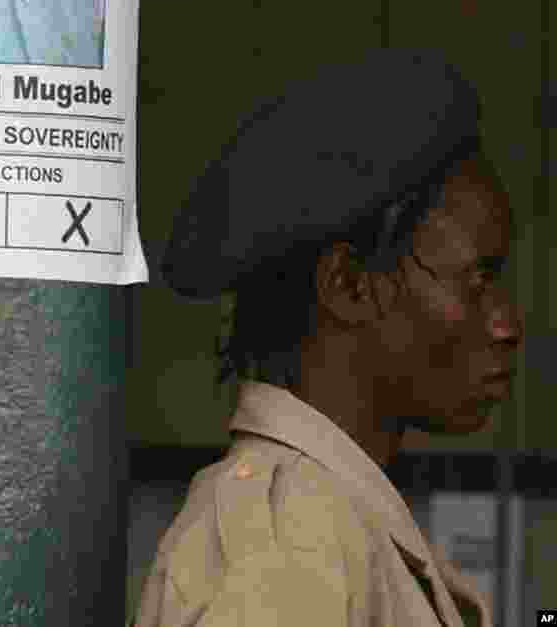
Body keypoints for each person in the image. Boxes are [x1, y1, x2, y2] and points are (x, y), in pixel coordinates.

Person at [135, 50, 522, 627]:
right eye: (476, 280)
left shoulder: (331, 520)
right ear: (349, 286)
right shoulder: (288, 547)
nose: (507, 324)